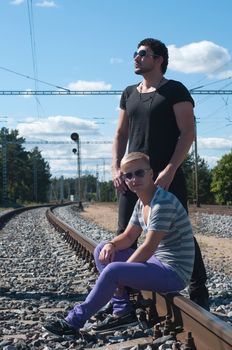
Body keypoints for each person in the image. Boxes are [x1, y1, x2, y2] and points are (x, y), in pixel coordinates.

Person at [43, 152, 195, 337]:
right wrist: (111, 244)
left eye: (139, 173)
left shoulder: (162, 204)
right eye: (128, 175)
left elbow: (148, 247)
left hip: (174, 271)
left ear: (151, 174)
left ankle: (73, 321)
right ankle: (122, 310)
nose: (134, 179)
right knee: (102, 250)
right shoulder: (142, 202)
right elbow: (129, 236)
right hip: (159, 262)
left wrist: (121, 275)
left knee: (114, 270)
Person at [112, 38, 209, 309]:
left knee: (180, 233)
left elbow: (188, 132)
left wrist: (170, 169)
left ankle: (200, 292)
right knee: (124, 231)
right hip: (133, 176)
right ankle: (124, 294)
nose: (136, 57)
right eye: (135, 53)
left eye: (143, 54)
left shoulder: (175, 90)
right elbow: (121, 133)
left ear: (159, 59)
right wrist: (116, 167)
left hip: (165, 177)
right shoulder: (129, 93)